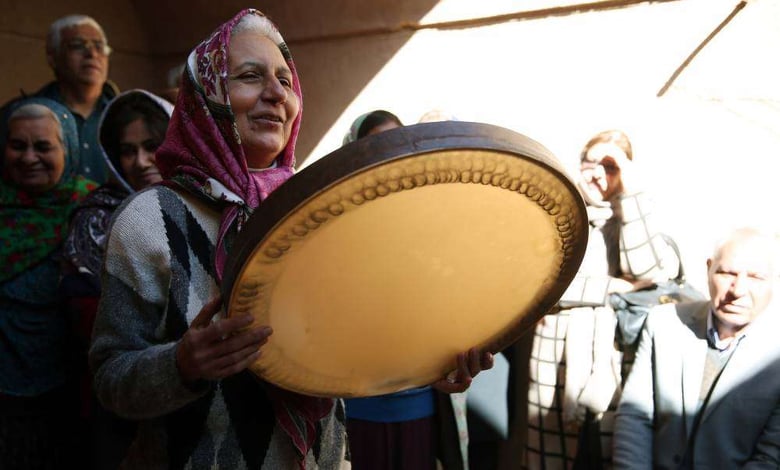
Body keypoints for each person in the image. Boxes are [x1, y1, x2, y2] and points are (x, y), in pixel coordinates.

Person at [88, 10, 492, 469]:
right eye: (249, 76)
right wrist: (180, 364)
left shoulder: (320, 210)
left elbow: (352, 346)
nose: (276, 93)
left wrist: (429, 362)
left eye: (285, 79)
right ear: (207, 95)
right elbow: (109, 379)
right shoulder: (148, 220)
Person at [516, 129, 680, 469]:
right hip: (553, 357)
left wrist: (628, 193)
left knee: (608, 456)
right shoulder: (555, 212)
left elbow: (649, 268)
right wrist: (612, 287)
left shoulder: (637, 215)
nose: (597, 174)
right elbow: (537, 285)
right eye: (590, 163)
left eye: (609, 166)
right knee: (549, 458)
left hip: (612, 363)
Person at [341, 109, 474, 469]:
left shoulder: (432, 226)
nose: (389, 153)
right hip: (357, 411)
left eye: (397, 143)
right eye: (376, 145)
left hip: (422, 407)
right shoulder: (336, 230)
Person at [60, 89, 173, 469]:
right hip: (122, 409)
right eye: (127, 151)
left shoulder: (206, 208)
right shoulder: (97, 220)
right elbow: (95, 326)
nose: (141, 162)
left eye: (153, 145)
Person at [614, 227, 780, 469]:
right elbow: (635, 416)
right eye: (726, 273)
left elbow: (770, 457)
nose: (738, 290)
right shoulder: (666, 323)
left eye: (755, 277)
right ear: (709, 268)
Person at [0, 97, 97, 468]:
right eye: (17, 145)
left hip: (73, 394)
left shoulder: (91, 209)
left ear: (68, 149)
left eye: (43, 146)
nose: (28, 158)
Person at [1, 14, 118, 184]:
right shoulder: (20, 116)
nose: (92, 54)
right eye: (78, 45)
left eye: (99, 46)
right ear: (52, 57)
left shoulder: (125, 115)